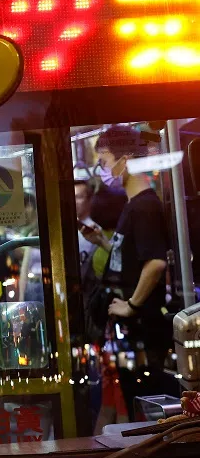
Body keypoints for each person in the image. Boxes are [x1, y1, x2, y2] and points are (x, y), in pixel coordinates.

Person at [82, 124, 171, 418]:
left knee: (146, 405)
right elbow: (132, 258)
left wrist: (132, 305)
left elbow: (155, 263)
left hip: (142, 330)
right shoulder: (133, 205)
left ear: (126, 159)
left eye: (105, 160)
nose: (103, 168)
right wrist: (104, 243)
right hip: (130, 333)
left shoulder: (144, 207)